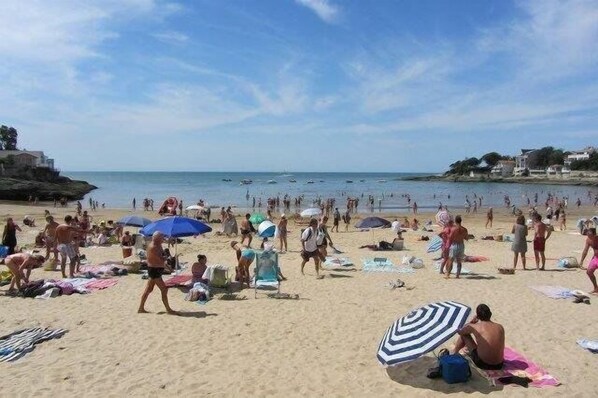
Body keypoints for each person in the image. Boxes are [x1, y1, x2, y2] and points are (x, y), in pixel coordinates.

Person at [451, 304, 504, 370]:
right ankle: (462, 350)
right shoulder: (500, 327)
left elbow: (460, 331)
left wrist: (472, 322)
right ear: (490, 314)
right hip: (499, 364)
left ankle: (454, 352)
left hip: (483, 364)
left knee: (464, 335)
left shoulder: (476, 326)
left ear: (478, 316)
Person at [138, 232, 177, 314]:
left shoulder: (158, 245)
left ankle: (141, 308)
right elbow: (160, 259)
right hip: (154, 270)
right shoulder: (153, 247)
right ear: (157, 238)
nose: (163, 239)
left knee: (149, 289)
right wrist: (166, 258)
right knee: (164, 289)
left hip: (156, 270)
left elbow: (161, 258)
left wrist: (169, 268)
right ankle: (168, 309)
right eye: (162, 237)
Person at [579, 228, 598, 294]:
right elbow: (585, 251)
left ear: (594, 233)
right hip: (596, 258)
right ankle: (596, 288)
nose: (587, 233)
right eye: (587, 232)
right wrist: (581, 261)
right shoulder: (588, 240)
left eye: (588, 232)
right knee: (589, 272)